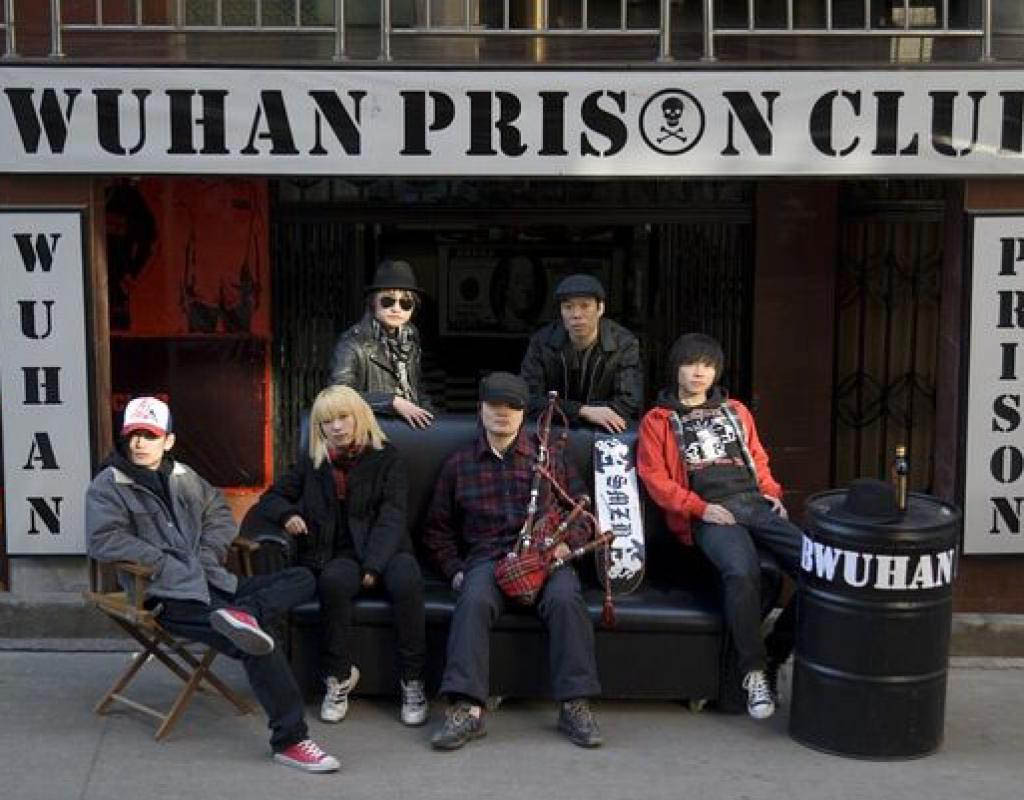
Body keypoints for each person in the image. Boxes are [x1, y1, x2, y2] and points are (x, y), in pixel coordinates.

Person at [85, 397, 338, 773]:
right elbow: (104, 539)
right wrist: (162, 561)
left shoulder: (186, 477)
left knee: (306, 577)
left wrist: (207, 553)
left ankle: (245, 613)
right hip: (166, 595)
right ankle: (291, 741)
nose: (139, 443)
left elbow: (219, 514)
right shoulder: (110, 485)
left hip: (216, 582)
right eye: (134, 435)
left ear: (167, 441)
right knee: (257, 644)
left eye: (149, 435)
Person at [423, 372, 603, 750]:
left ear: (525, 414)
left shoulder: (550, 456)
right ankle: (466, 710)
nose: (503, 414)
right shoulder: (459, 464)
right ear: (480, 409)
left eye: (513, 407)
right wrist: (455, 571)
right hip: (487, 557)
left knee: (566, 600)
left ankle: (575, 705)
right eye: (495, 406)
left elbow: (584, 513)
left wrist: (566, 545)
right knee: (472, 602)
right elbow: (436, 529)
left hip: (546, 556)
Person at [636, 333, 803, 720]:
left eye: (707, 366)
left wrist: (772, 492)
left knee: (822, 568)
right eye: (691, 364)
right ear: (676, 367)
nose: (699, 373)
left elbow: (758, 458)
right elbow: (656, 480)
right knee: (741, 573)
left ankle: (776, 654)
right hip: (710, 511)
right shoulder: (658, 420)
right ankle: (753, 672)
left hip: (755, 503)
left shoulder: (736, 411)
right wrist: (700, 509)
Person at [246, 385, 428, 727]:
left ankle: (413, 680)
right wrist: (288, 515)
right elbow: (270, 498)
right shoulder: (313, 463)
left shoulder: (387, 458)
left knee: (407, 580)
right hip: (339, 553)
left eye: (344, 418)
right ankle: (338, 677)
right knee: (331, 582)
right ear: (320, 427)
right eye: (328, 421)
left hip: (388, 550)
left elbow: (393, 517)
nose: (338, 427)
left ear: (359, 417)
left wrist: (374, 565)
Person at [519, 273, 642, 434]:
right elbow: (529, 399)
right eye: (568, 307)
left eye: (585, 306)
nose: (576, 315)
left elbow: (629, 401)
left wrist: (585, 415)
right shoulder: (542, 343)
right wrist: (583, 411)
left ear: (600, 308)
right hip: (554, 431)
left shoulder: (624, 344)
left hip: (605, 432)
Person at [330, 259, 435, 429]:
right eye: (387, 301)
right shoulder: (352, 342)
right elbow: (339, 394)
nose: (396, 308)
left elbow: (417, 388)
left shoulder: (410, 338)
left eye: (406, 303)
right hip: (371, 431)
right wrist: (391, 402)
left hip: (409, 431)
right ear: (373, 303)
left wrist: (430, 418)